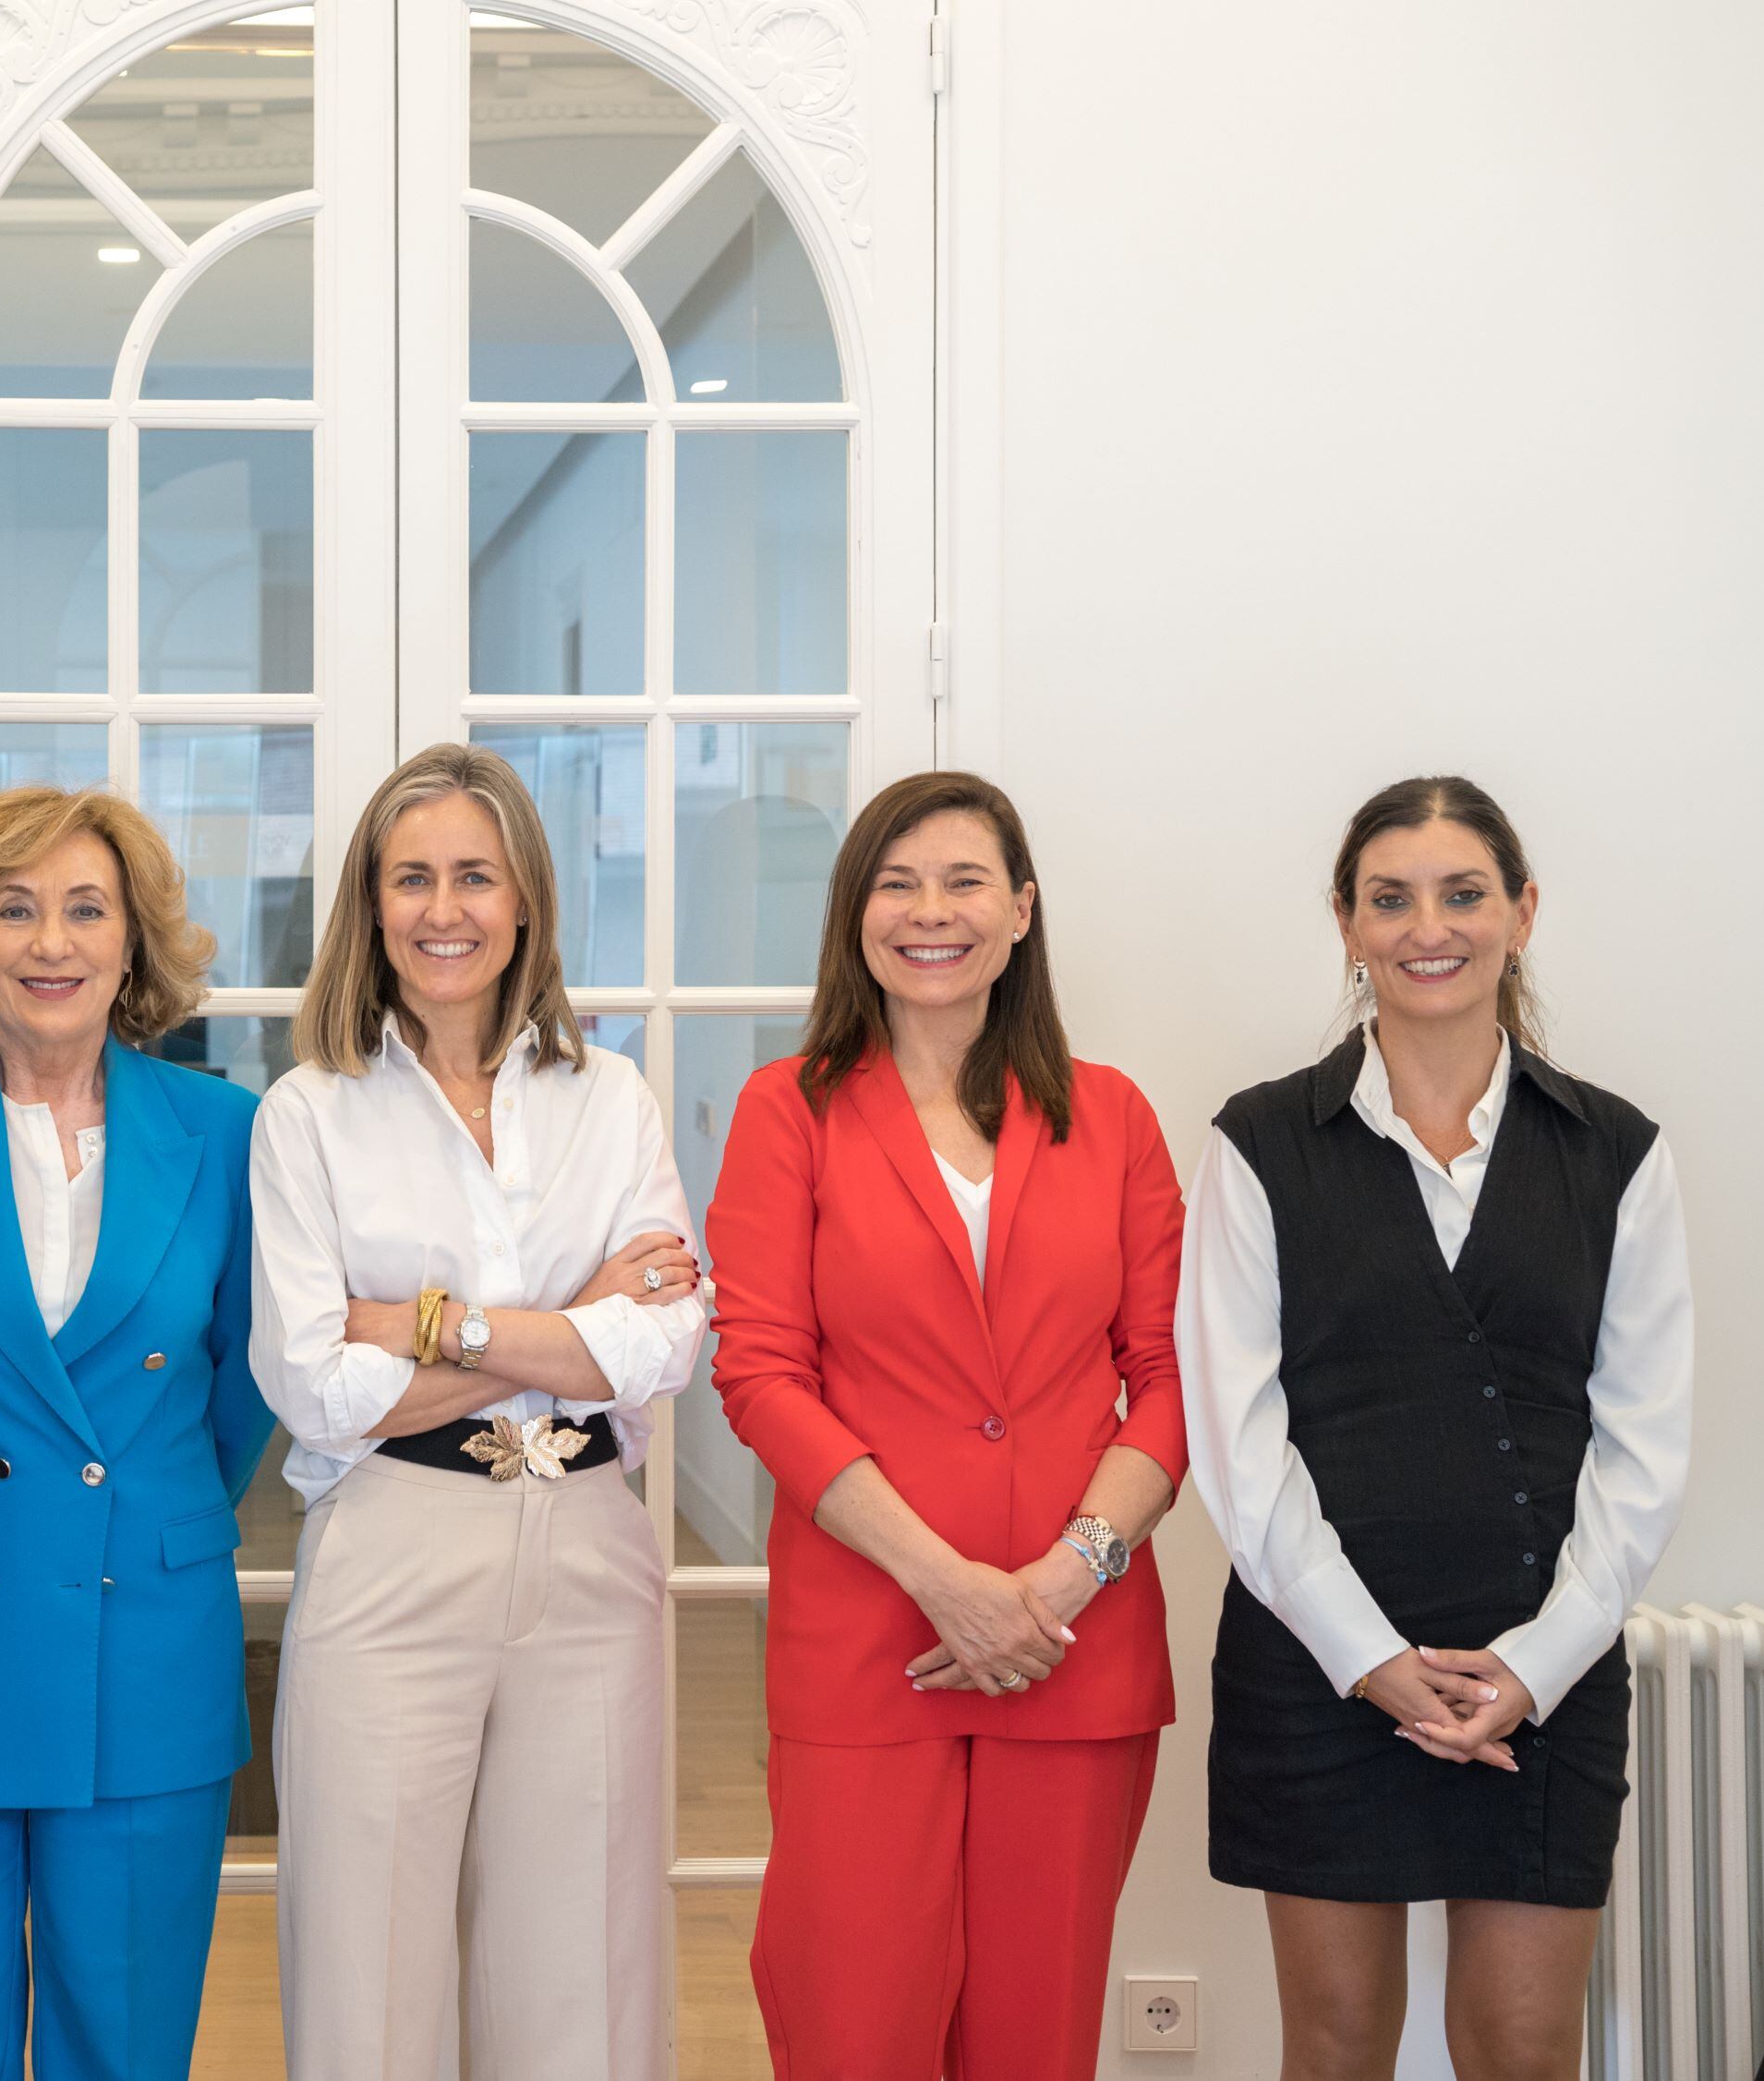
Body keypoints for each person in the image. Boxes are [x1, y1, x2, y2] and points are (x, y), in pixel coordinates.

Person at [1180, 776, 1690, 2081]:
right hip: (1319, 1665)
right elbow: (1239, 1444)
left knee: (1521, 2049)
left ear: (1522, 912)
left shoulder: (1617, 1152)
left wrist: (1536, 1662)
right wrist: (1371, 1657)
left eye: (1465, 893)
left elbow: (1642, 1449)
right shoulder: (1258, 1143)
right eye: (1390, 897)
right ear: (1346, 923)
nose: (1429, 927)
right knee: (1340, 2045)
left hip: (1545, 1670)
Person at [705, 769, 1186, 2081]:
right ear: (855, 913)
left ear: (1023, 909)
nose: (933, 911)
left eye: (967, 879)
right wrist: (942, 1581)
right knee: (853, 2028)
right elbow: (760, 1373)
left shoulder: (1117, 1115)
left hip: (1070, 1646)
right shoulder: (785, 1110)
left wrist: (1065, 1573)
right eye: (897, 882)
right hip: (873, 1644)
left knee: (1037, 2038)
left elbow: (1169, 1372)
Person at [251, 742, 704, 2081]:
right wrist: (572, 1321)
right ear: (369, 906)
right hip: (393, 1545)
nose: (442, 908)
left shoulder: (608, 1098)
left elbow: (670, 1337)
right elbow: (314, 1382)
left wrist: (431, 1324)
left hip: (589, 1544)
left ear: (525, 903)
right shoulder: (309, 1113)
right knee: (368, 1975)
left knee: (588, 1969)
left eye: (474, 875)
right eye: (410, 878)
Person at [0, 786, 269, 2081]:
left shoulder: (227, 1127)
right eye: (13, 909)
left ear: (134, 942)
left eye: (87, 908)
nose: (50, 941)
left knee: (128, 2044)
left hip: (145, 1631)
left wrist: (147, 1514)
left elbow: (239, 1389)